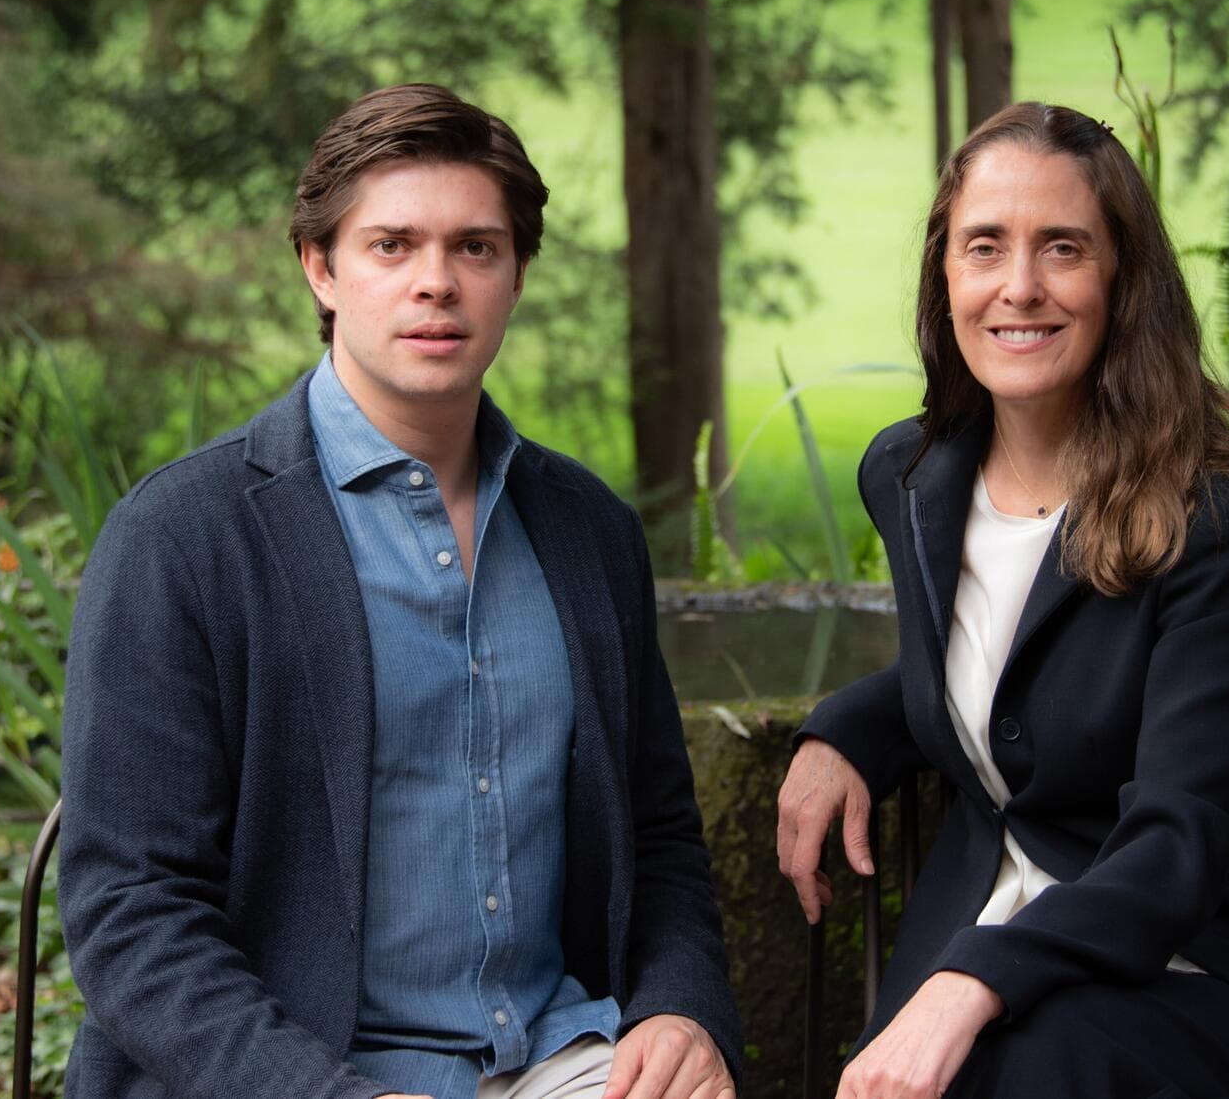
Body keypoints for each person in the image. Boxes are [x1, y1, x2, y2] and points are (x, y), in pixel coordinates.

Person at [59, 84, 740, 1099]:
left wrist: (683, 1007)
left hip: (561, 1058)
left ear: (514, 276)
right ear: (319, 268)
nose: (437, 282)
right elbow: (130, 909)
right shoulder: (183, 539)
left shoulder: (587, 532)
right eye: (391, 246)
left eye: (475, 247)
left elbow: (657, 836)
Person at [775, 104, 1229, 1099]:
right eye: (984, 246)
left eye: (1060, 248)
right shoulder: (909, 476)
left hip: (1202, 961)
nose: (1017, 286)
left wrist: (973, 977)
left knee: (1025, 1067)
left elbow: (1182, 830)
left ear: (1121, 279)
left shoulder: (1217, 514)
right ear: (945, 275)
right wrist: (845, 729)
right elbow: (1008, 666)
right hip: (986, 928)